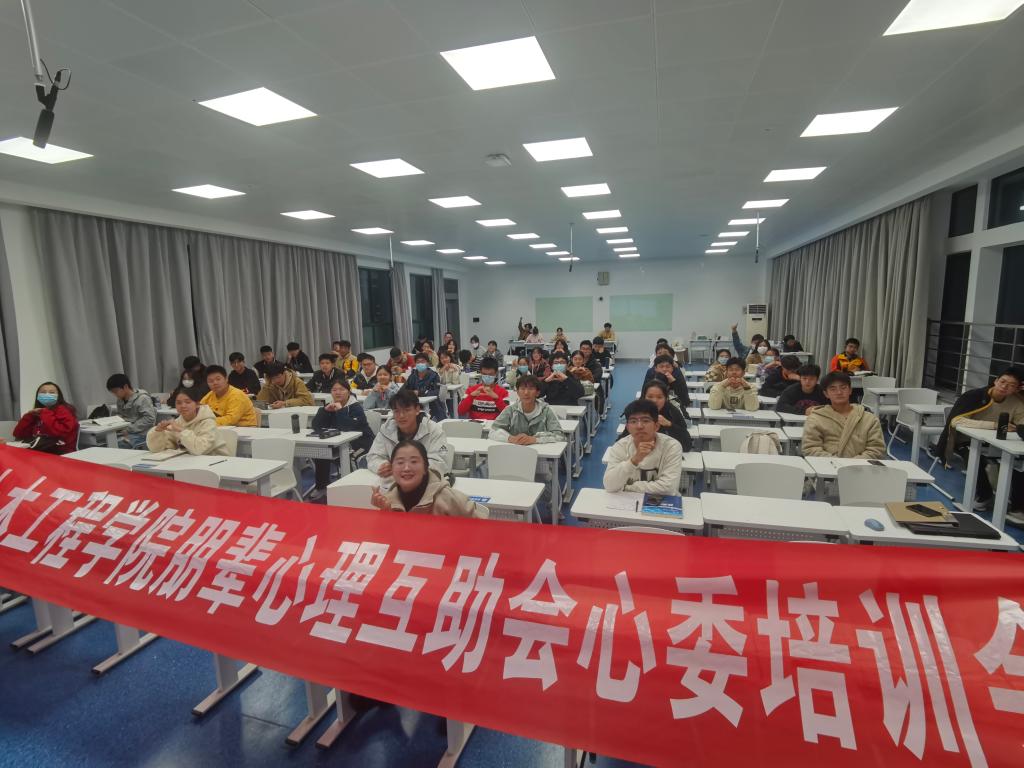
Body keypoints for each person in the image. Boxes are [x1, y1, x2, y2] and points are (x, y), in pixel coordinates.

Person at [933, 367, 1024, 512]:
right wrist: (993, 425)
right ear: (996, 381)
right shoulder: (975, 396)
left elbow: (1021, 422)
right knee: (974, 457)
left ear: (1017, 389)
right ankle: (984, 495)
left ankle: (1018, 506)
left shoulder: (1017, 403)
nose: (1005, 387)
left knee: (1018, 461)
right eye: (1003, 382)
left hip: (996, 442)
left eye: (1011, 385)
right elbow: (956, 421)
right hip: (966, 440)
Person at [371, 440, 485, 518]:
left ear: (426, 467)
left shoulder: (449, 499)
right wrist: (386, 513)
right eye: (400, 462)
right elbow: (388, 538)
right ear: (391, 468)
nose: (406, 468)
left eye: (414, 461)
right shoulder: (388, 500)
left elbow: (480, 529)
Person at [308, 380, 374, 499]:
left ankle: (352, 490)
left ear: (348, 391)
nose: (337, 392)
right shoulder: (331, 405)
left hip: (361, 444)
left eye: (341, 389)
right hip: (339, 443)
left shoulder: (356, 407)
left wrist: (340, 411)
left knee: (349, 456)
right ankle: (322, 487)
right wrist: (325, 411)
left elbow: (347, 427)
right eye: (334, 390)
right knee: (320, 453)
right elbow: (316, 426)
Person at [603, 399, 683, 494]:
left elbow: (668, 488)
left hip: (662, 501)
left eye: (645, 420)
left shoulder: (672, 446)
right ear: (628, 427)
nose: (639, 426)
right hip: (628, 500)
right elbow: (609, 485)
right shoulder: (620, 446)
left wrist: (627, 487)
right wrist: (634, 460)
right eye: (633, 421)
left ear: (656, 426)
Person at [367, 389, 450, 477]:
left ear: (417, 409)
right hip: (394, 480)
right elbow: (373, 456)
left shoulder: (433, 430)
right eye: (396, 411)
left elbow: (439, 462)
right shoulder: (386, 429)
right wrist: (382, 466)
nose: (401, 416)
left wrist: (409, 469)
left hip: (425, 481)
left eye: (407, 410)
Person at [801, 372, 885, 459]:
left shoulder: (870, 419)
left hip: (861, 466)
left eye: (843, 388)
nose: (839, 392)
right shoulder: (816, 418)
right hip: (828, 465)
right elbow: (810, 448)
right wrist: (836, 462)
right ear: (826, 394)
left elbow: (876, 449)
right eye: (833, 389)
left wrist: (853, 463)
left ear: (850, 390)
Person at [146, 388, 228, 456]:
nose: (183, 406)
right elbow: (157, 449)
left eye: (188, 402)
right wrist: (158, 432)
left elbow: (200, 449)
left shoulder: (208, 422)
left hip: (216, 461)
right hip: (191, 462)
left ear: (197, 404)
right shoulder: (177, 422)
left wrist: (181, 430)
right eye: (179, 403)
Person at [490, 375, 564, 445]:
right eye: (522, 389)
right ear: (517, 392)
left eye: (531, 389)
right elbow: (493, 431)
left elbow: (559, 436)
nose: (526, 393)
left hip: (541, 452)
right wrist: (510, 438)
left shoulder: (546, 411)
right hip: (516, 450)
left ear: (537, 393)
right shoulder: (511, 410)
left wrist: (535, 439)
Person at [10, 382, 79, 453]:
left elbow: (61, 433)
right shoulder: (38, 412)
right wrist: (29, 416)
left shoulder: (64, 410)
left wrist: (46, 413)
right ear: (38, 396)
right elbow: (19, 434)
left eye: (52, 392)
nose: (47, 395)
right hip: (38, 450)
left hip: (59, 452)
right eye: (43, 392)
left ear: (59, 396)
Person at [105, 373, 156, 449]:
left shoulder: (143, 398)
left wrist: (129, 429)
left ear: (125, 387)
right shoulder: (120, 400)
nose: (115, 394)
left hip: (142, 434)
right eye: (112, 392)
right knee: (107, 443)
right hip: (126, 432)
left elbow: (149, 419)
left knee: (117, 445)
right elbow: (122, 415)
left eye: (116, 391)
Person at [643, 379, 693, 452]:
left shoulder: (672, 411)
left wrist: (669, 424)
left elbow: (687, 445)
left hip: (668, 454)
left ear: (666, 398)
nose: (654, 401)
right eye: (650, 397)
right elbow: (625, 442)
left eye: (659, 397)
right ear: (644, 397)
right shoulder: (637, 412)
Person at [402, 352, 447, 421]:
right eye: (418, 362)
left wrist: (420, 393)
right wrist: (411, 393)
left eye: (423, 361)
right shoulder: (412, 376)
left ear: (428, 363)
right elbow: (403, 390)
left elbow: (437, 392)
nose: (420, 364)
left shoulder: (434, 376)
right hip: (416, 406)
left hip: (433, 406)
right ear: (415, 364)